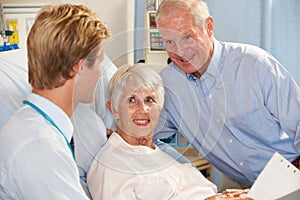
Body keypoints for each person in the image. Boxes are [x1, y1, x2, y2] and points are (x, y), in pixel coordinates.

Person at [153, 0, 300, 191]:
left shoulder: (255, 65)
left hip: (291, 175)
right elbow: (146, 138)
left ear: (209, 27)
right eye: (169, 42)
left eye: (187, 37)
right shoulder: (168, 84)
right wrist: (184, 171)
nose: (180, 51)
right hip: (238, 186)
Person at [86, 64, 251, 200]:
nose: (142, 109)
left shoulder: (160, 153)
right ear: (113, 109)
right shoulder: (111, 166)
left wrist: (225, 197)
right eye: (131, 100)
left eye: (149, 100)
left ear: (160, 108)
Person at [0, 4, 110, 199]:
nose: (100, 73)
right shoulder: (40, 147)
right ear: (80, 67)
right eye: (99, 63)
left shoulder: (32, 126)